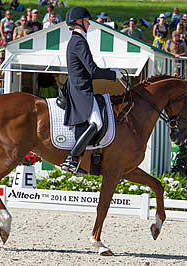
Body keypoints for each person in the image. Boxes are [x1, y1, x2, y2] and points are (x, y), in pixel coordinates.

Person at [61, 6, 121, 173]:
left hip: (79, 86)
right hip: (81, 89)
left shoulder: (76, 40)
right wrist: (113, 75)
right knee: (97, 122)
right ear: (79, 22)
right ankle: (71, 159)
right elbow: (92, 71)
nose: (89, 23)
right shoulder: (79, 42)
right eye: (87, 20)